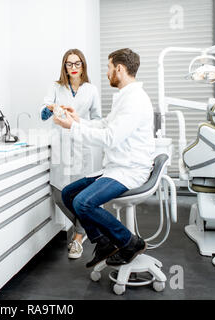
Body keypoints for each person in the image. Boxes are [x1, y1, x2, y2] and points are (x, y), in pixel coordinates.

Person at [54, 48, 155, 267]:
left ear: (119, 69)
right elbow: (106, 124)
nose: (107, 73)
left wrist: (72, 128)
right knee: (69, 193)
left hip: (129, 170)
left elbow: (109, 138)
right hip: (116, 167)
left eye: (109, 68)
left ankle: (130, 241)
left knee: (83, 202)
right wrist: (78, 120)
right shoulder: (124, 97)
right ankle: (102, 242)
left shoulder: (134, 101)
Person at [40, 48, 102, 259]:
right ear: (64, 66)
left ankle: (78, 238)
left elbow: (98, 120)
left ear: (83, 66)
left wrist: (78, 121)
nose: (73, 68)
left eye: (77, 63)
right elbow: (43, 115)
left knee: (79, 196)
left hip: (82, 145)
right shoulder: (56, 87)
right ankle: (86, 227)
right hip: (60, 145)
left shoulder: (91, 90)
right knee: (59, 194)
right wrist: (51, 107)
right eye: (69, 63)